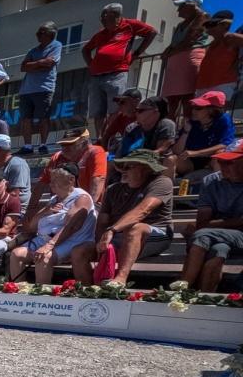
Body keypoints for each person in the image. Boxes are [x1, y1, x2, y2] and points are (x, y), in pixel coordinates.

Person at [70, 149, 173, 285]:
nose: (123, 171)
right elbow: (102, 221)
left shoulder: (162, 182)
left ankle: (120, 280)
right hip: (118, 236)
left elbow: (143, 211)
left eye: (129, 167)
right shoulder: (112, 189)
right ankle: (86, 289)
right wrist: (100, 242)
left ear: (146, 169)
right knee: (79, 251)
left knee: (135, 229)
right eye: (122, 166)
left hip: (154, 234)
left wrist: (112, 230)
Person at [8, 162, 97, 284]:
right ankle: (17, 290)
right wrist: (46, 211)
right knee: (16, 254)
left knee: (44, 258)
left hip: (71, 241)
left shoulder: (82, 198)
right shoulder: (54, 199)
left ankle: (41, 292)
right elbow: (31, 226)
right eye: (51, 180)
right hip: (45, 239)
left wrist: (49, 246)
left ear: (71, 180)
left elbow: (71, 227)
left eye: (56, 179)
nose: (51, 184)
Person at [82, 3, 157, 138]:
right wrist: (91, 65)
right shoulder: (101, 33)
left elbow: (152, 32)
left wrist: (137, 53)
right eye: (102, 18)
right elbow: (85, 49)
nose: (102, 20)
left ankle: (109, 136)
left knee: (116, 108)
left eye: (105, 17)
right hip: (96, 76)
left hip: (116, 73)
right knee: (98, 111)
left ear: (115, 16)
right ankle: (99, 137)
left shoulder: (130, 25)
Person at [179, 149, 243, 290]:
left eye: (228, 162)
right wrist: (236, 221)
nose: (222, 166)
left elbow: (203, 226)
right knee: (218, 250)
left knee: (202, 234)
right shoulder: (211, 180)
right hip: (218, 236)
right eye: (220, 162)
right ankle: (204, 295)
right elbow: (202, 222)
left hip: (236, 236)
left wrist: (210, 226)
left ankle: (181, 290)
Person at [28, 128, 107, 216]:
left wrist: (90, 206)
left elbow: (98, 179)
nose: (65, 148)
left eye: (70, 144)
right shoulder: (57, 157)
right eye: (63, 144)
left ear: (84, 143)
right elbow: (41, 184)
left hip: (88, 205)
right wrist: (30, 210)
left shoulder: (95, 152)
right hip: (62, 206)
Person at [161, 0, 210, 119]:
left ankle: (187, 127)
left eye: (181, 6)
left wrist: (170, 53)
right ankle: (171, 127)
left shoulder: (202, 17)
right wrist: (167, 51)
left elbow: (190, 39)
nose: (178, 10)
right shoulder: (180, 25)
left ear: (192, 5)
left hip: (189, 60)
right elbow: (174, 43)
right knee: (171, 100)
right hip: (175, 63)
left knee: (187, 99)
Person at [167, 90, 237, 175]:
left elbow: (225, 144)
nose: (193, 111)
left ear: (211, 110)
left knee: (220, 153)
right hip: (191, 162)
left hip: (210, 162)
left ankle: (216, 180)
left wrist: (196, 153)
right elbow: (176, 151)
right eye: (193, 107)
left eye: (198, 108)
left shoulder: (223, 120)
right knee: (170, 160)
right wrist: (186, 131)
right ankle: (168, 183)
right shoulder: (193, 122)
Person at [18, 22, 63, 155]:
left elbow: (49, 64)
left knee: (44, 117)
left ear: (50, 34)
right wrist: (39, 63)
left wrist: (33, 65)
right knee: (26, 118)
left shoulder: (56, 45)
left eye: (41, 32)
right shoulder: (32, 50)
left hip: (44, 87)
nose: (37, 35)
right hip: (27, 89)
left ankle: (43, 144)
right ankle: (27, 146)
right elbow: (23, 67)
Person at [196, 10, 243, 98]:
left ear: (225, 25)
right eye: (208, 25)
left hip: (221, 86)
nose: (209, 28)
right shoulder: (211, 44)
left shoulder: (229, 37)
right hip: (202, 87)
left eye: (213, 24)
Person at [115, 96, 178, 160]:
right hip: (132, 160)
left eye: (140, 110)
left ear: (155, 112)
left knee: (170, 159)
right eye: (136, 110)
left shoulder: (166, 125)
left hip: (156, 161)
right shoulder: (131, 128)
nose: (136, 113)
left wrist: (140, 157)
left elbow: (160, 151)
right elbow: (122, 153)